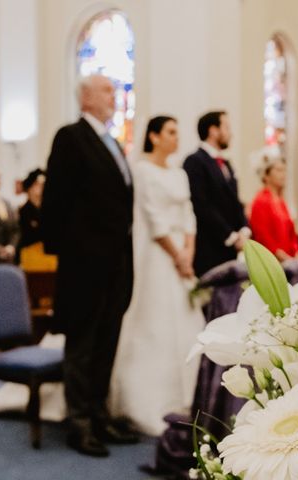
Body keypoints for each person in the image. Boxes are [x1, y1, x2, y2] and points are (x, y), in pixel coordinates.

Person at [41, 74, 138, 457]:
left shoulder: (112, 143)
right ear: (86, 97)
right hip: (84, 267)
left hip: (116, 265)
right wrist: (72, 253)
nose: (113, 96)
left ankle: (100, 416)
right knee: (81, 347)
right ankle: (78, 422)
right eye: (106, 91)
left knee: (106, 345)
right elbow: (56, 203)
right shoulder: (71, 137)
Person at [109, 116, 205, 435]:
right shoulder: (143, 171)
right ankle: (148, 402)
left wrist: (189, 251)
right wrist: (177, 255)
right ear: (154, 136)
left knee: (188, 321)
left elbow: (189, 213)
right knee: (157, 322)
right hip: (158, 254)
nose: (177, 138)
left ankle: (189, 398)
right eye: (171, 132)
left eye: (178, 132)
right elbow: (151, 216)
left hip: (183, 254)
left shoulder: (178, 173)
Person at [183, 111, 250, 277]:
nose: (230, 133)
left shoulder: (225, 163)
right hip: (209, 248)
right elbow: (201, 204)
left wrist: (244, 229)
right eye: (226, 127)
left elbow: (235, 201)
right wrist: (231, 236)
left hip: (230, 250)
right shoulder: (195, 162)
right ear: (213, 130)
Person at [249, 146, 298, 261]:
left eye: (284, 170)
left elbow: (291, 234)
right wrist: (285, 258)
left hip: (289, 261)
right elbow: (263, 238)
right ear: (266, 175)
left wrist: (297, 253)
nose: (283, 174)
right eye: (278, 170)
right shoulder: (260, 201)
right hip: (272, 262)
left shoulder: (281, 201)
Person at [18, 168, 57, 271]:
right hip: (32, 254)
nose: (41, 187)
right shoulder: (24, 210)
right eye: (37, 184)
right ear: (30, 188)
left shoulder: (47, 209)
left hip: (48, 254)